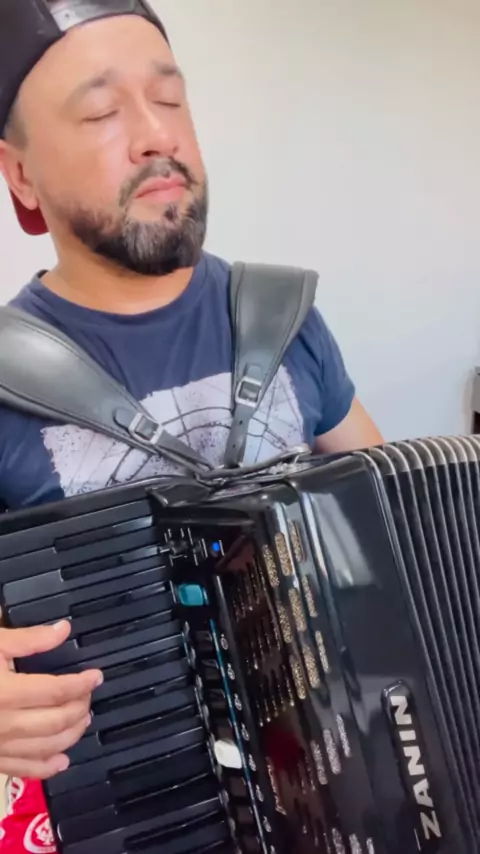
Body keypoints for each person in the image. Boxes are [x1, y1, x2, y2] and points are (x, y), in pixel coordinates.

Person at [0, 3, 383, 851]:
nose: (155, 135)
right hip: (138, 816)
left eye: (171, 100)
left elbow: (398, 519)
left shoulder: (285, 317)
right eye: (101, 112)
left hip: (334, 796)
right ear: (20, 175)